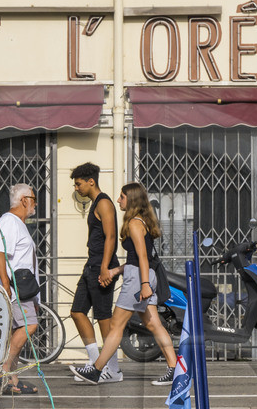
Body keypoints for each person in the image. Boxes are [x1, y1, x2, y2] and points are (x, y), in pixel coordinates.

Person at [72, 181, 177, 386]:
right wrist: (116, 270)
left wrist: (144, 284)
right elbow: (135, 260)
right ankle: (175, 369)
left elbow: (143, 257)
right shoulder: (140, 222)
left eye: (122, 196)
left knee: (115, 325)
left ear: (132, 199)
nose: (118, 200)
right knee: (153, 323)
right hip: (141, 276)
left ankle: (97, 369)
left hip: (139, 279)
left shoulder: (134, 223)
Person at [67, 162, 120, 380]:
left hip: (101, 266)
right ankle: (94, 362)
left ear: (91, 181)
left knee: (104, 318)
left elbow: (111, 237)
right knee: (77, 312)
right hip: (91, 265)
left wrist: (106, 268)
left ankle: (112, 369)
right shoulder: (94, 203)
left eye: (78, 184)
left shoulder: (104, 202)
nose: (76, 188)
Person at [0, 183, 42, 396]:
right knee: (29, 326)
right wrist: (4, 284)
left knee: (16, 331)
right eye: (34, 199)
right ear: (24, 200)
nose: (35, 205)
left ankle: (12, 380)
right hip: (15, 288)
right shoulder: (9, 222)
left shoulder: (17, 224)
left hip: (23, 289)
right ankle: (2, 372)